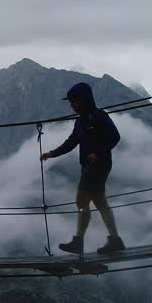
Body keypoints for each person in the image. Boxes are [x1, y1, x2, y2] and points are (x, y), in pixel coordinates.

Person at [40, 82, 125, 255]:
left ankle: (78, 242)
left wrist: (97, 153)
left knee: (81, 200)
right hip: (90, 166)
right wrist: (52, 153)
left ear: (84, 100)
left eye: (74, 101)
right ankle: (115, 240)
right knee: (100, 202)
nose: (71, 105)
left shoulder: (99, 116)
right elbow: (71, 142)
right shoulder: (81, 121)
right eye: (70, 102)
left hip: (98, 166)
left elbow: (115, 137)